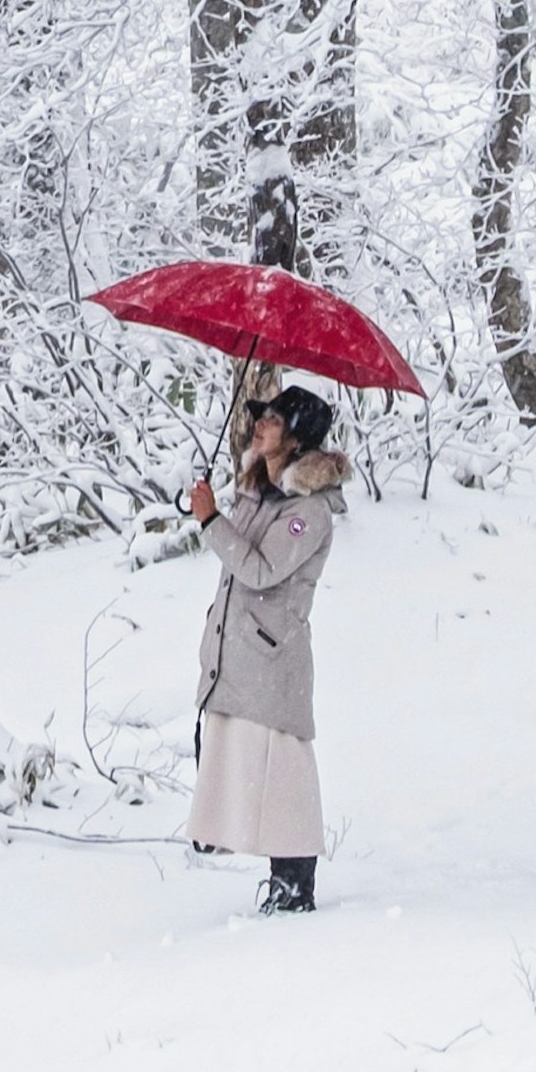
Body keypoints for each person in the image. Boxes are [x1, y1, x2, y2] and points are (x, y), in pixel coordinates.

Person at [183, 384, 346, 913]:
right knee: (245, 761)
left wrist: (211, 520)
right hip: (242, 656)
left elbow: (259, 568)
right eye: (261, 416)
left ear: (296, 438)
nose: (260, 424)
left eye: (273, 419)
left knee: (286, 771)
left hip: (274, 662)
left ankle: (295, 885)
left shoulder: (310, 511)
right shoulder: (259, 492)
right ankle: (276, 877)